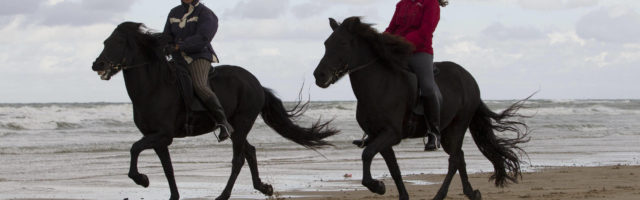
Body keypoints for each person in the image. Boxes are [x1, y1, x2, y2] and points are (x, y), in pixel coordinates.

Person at [163, 0, 233, 141]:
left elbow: (203, 38)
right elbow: (167, 35)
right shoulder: (174, 12)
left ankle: (224, 123)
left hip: (198, 56)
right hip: (178, 59)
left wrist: (178, 46)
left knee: (199, 85)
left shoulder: (206, 14)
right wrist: (165, 45)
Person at [385, 0, 448, 151]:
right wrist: (382, 40)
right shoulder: (401, 4)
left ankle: (434, 132)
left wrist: (399, 42)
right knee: (381, 81)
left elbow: (425, 32)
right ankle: (375, 129)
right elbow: (392, 27)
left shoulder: (431, 3)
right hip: (397, 52)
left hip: (419, 51)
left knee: (427, 87)